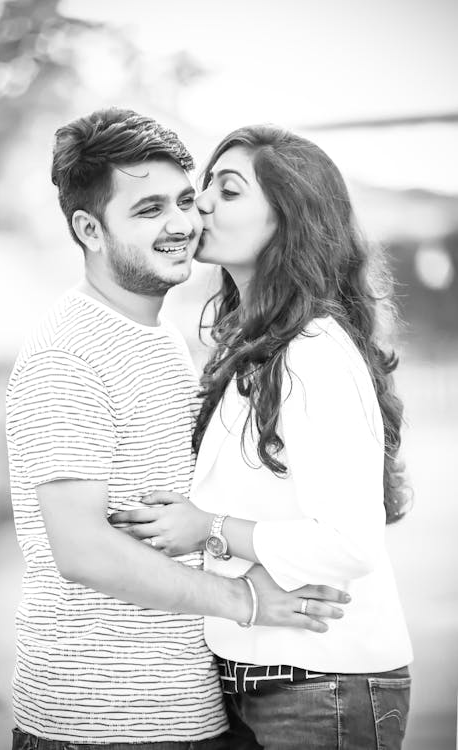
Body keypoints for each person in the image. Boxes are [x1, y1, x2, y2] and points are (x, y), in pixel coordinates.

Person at [5, 109, 348, 750]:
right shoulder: (69, 353)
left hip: (185, 709)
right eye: (149, 209)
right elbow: (80, 550)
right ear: (89, 228)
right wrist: (244, 600)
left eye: (187, 200)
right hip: (101, 721)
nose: (182, 224)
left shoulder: (158, 337)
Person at [110, 125, 413, 749]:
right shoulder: (253, 347)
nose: (202, 206)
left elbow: (350, 542)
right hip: (263, 677)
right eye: (204, 189)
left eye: (229, 190)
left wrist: (209, 526)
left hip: (322, 683)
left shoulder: (313, 351)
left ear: (288, 218)